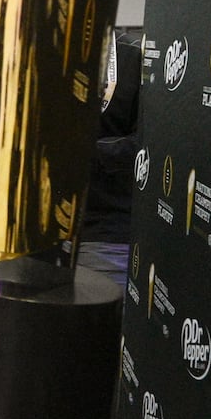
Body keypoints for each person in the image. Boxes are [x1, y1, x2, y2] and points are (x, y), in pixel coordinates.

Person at [76, 30, 141, 287]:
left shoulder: (133, 56)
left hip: (104, 235)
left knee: (95, 325)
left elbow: (150, 143)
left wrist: (86, 152)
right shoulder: (38, 52)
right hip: (37, 234)